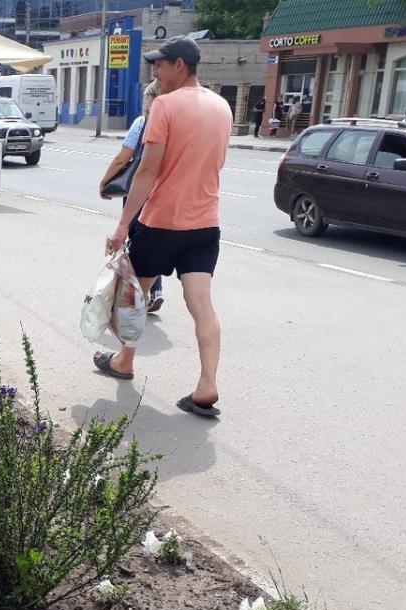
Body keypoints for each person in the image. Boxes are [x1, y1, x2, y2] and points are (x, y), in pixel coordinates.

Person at [98, 36, 232, 419]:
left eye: (160, 63)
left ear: (180, 65)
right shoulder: (222, 107)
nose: (155, 71)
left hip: (160, 223)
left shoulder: (165, 107)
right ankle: (208, 384)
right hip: (205, 225)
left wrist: (124, 224)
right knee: (201, 305)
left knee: (135, 297)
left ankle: (124, 361)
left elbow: (148, 170)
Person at [98, 80, 163, 313]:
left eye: (148, 97)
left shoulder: (143, 123)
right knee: (157, 240)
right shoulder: (178, 123)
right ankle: (155, 290)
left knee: (136, 239)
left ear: (152, 98)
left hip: (140, 190)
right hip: (167, 192)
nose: (146, 102)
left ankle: (133, 297)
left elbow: (123, 158)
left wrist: (105, 181)